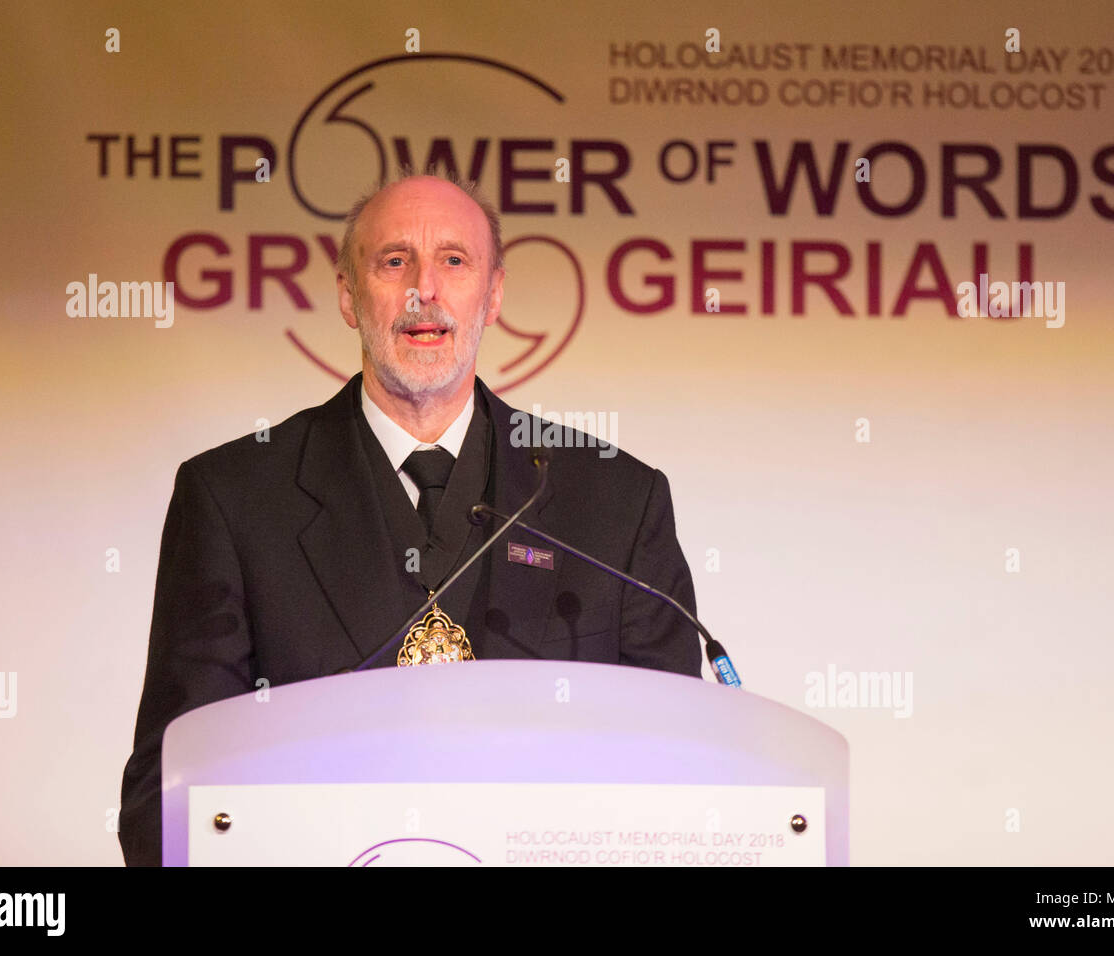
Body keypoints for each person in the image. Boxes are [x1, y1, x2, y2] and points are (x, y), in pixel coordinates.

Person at [117, 169, 703, 866]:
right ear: (347, 294)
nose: (425, 290)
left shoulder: (615, 504)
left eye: (454, 262)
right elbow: (170, 794)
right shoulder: (234, 499)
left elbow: (680, 772)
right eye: (395, 262)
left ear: (494, 295)